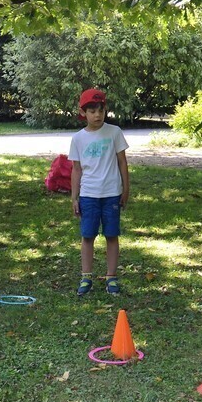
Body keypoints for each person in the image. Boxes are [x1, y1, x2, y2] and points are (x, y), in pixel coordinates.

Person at [69, 88, 130, 296]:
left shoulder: (114, 133)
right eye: (92, 111)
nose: (97, 115)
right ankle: (86, 277)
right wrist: (74, 197)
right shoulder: (78, 139)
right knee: (88, 236)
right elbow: (76, 170)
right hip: (88, 195)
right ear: (83, 113)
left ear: (106, 110)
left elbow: (122, 162)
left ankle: (111, 277)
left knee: (111, 235)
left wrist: (125, 189)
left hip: (112, 193)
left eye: (100, 110)